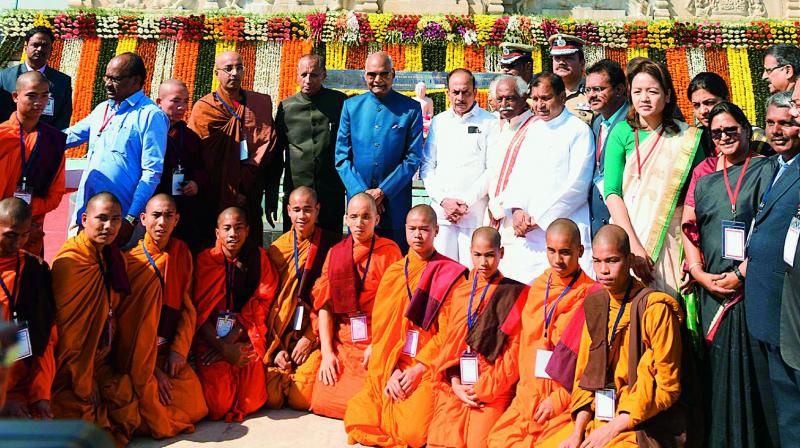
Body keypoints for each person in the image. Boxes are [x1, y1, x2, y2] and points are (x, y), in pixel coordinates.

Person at [680, 102, 778, 447]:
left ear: (747, 129)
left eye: (730, 130)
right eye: (716, 132)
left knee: (756, 374)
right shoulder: (705, 181)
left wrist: (743, 273)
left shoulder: (768, 170)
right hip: (713, 291)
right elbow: (689, 229)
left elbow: (777, 230)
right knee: (719, 376)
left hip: (753, 289)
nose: (723, 137)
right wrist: (699, 273)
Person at [556, 224, 690, 448]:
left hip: (641, 422)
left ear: (629, 260)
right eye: (597, 262)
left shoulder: (655, 309)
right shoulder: (597, 305)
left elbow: (667, 388)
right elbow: (584, 377)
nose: (603, 270)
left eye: (612, 261)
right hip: (598, 416)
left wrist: (613, 428)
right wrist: (576, 434)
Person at [344, 205, 467, 447]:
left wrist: (417, 370)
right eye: (412, 229)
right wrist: (391, 371)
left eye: (424, 229)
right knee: (358, 416)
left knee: (413, 433)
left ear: (436, 231)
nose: (418, 235)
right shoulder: (394, 272)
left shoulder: (450, 274)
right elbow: (381, 331)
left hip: (427, 365)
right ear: (405, 230)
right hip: (393, 362)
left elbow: (451, 334)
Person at [487, 219, 596, 447]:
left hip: (563, 402)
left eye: (565, 252)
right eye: (551, 251)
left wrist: (558, 400)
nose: (557, 260)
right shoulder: (539, 286)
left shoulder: (591, 297)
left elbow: (591, 366)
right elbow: (524, 345)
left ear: (580, 251)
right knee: (496, 440)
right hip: (528, 397)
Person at [603, 58, 704, 297]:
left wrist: (693, 257)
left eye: (652, 91)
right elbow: (612, 192)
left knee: (669, 312)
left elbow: (699, 197)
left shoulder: (687, 137)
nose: (644, 98)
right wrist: (634, 247)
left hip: (674, 239)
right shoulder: (621, 132)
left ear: (667, 95)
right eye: (637, 92)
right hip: (627, 236)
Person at [426, 227, 529, 448]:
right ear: (470, 252)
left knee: (479, 444)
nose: (483, 262)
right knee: (439, 440)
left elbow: (514, 355)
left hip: (494, 385)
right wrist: (454, 382)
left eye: (490, 255)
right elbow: (449, 344)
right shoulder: (461, 293)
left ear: (501, 252)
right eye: (478, 255)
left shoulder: (515, 294)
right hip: (459, 380)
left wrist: (485, 388)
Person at [51, 192, 138, 446]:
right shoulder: (70, 262)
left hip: (99, 358)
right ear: (84, 218)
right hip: (72, 370)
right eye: (101, 219)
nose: (109, 226)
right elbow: (69, 337)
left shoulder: (110, 257)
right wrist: (84, 378)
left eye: (115, 220)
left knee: (127, 408)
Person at [309, 193, 402, 419]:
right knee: (321, 401)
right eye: (354, 217)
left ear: (377, 220)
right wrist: (328, 352)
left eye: (366, 217)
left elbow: (396, 307)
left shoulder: (390, 252)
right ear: (345, 219)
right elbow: (324, 305)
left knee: (372, 405)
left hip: (375, 339)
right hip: (344, 338)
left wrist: (378, 344)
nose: (359, 223)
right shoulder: (336, 253)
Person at [122, 194, 208, 438]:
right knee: (148, 411)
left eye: (168, 216)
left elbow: (187, 307)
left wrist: (178, 351)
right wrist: (152, 370)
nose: (162, 222)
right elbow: (127, 327)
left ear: (177, 220)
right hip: (140, 357)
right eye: (156, 215)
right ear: (143, 218)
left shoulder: (182, 253)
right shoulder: (131, 262)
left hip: (167, 351)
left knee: (197, 406)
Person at [66, 52, 168, 247]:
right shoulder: (103, 109)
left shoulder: (151, 115)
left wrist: (130, 218)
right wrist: (32, 134)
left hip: (118, 219)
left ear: (136, 81)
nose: (107, 83)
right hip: (86, 213)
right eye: (107, 77)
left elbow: (151, 173)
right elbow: (70, 136)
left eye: (116, 79)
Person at [500, 72, 595, 283]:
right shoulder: (532, 129)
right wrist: (516, 210)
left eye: (546, 98)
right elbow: (517, 176)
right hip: (526, 234)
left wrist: (539, 219)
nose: (540, 105)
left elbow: (578, 187)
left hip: (562, 230)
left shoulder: (578, 130)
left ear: (562, 97)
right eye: (535, 99)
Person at [747, 90, 800, 447]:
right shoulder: (768, 167)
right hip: (763, 306)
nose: (777, 131)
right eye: (771, 123)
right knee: (775, 408)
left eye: (787, 123)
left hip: (789, 310)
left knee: (792, 410)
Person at [191, 207, 278, 422]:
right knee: (217, 405)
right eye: (227, 228)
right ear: (217, 233)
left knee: (253, 400)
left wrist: (232, 340)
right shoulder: (205, 261)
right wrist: (221, 347)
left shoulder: (258, 258)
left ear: (248, 231)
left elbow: (262, 303)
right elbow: (198, 313)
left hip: (245, 334)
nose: (233, 234)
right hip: (211, 340)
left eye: (239, 228)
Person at [335, 51, 423, 251]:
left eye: (384, 74)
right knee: (358, 256)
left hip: (395, 201)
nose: (378, 80)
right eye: (372, 74)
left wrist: (383, 192)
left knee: (395, 257)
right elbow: (341, 158)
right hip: (359, 204)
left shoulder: (410, 109)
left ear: (393, 74)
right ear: (364, 75)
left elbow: (413, 157)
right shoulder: (351, 106)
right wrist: (365, 196)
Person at [188, 51, 278, 248]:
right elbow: (195, 153)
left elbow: (268, 146)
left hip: (250, 189)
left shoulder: (259, 104)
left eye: (239, 68)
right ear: (216, 73)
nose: (234, 73)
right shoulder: (204, 108)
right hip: (215, 191)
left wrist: (244, 185)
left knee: (249, 245)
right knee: (212, 246)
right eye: (228, 69)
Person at [264, 187, 341, 410]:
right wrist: (277, 349)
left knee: (302, 399)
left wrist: (310, 338)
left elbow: (333, 300)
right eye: (296, 210)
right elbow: (270, 303)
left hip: (314, 332)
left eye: (308, 210)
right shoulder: (278, 249)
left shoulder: (332, 245)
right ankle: (282, 363)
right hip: (281, 334)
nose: (302, 216)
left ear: (317, 210)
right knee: (272, 398)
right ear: (287, 211)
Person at [421, 68, 494, 267]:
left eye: (465, 92)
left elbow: (492, 169)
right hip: (443, 212)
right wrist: (444, 200)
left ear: (475, 91)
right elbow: (427, 166)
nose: (460, 97)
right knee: (442, 271)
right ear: (448, 93)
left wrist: (466, 203)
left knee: (472, 271)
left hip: (474, 212)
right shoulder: (439, 122)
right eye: (455, 92)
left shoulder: (490, 122)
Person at [275, 54, 347, 233]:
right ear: (297, 75)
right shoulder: (286, 107)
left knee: (331, 251)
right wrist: (271, 197)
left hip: (330, 193)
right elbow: (276, 155)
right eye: (304, 74)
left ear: (324, 75)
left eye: (314, 75)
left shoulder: (340, 102)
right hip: (297, 195)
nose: (308, 80)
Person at [0, 198, 56, 420]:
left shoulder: (35, 270)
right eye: (10, 235)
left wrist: (40, 395)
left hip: (22, 382)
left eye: (23, 235)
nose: (18, 243)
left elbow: (46, 337)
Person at [0, 71, 66, 255]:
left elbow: (56, 194)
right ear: (15, 96)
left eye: (45, 95)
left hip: (30, 232)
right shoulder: (2, 136)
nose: (39, 102)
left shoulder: (53, 141)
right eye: (31, 95)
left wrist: (24, 215)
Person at [153, 79, 211, 254]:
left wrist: (196, 183)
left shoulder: (190, 136)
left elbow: (200, 167)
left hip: (182, 207)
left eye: (185, 101)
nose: (182, 107)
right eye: (175, 101)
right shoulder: (148, 132)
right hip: (154, 205)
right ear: (159, 102)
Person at [485, 75, 535, 273]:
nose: (504, 104)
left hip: (514, 215)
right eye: (500, 99)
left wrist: (502, 206)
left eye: (510, 98)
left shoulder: (534, 127)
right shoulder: (502, 126)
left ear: (524, 97)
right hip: (492, 213)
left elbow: (527, 176)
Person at [586, 59, 628, 239]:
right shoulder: (597, 122)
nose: (591, 95)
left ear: (619, 90)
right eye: (588, 90)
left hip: (625, 220)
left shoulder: (634, 121)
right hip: (599, 221)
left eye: (599, 89)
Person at [0, 26, 72, 130]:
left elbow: (63, 118)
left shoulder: (62, 81)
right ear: (25, 47)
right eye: (35, 45)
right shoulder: (4, 77)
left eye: (45, 46)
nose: (40, 49)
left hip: (44, 142)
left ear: (51, 49)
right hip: (8, 139)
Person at [688, 72, 772, 157]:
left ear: (726, 100)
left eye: (709, 103)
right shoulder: (694, 141)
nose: (703, 111)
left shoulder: (756, 138)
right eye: (696, 105)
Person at [548, 34, 592, 124]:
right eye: (557, 58)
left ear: (582, 63)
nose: (561, 62)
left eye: (568, 58)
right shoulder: (544, 91)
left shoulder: (592, 92)